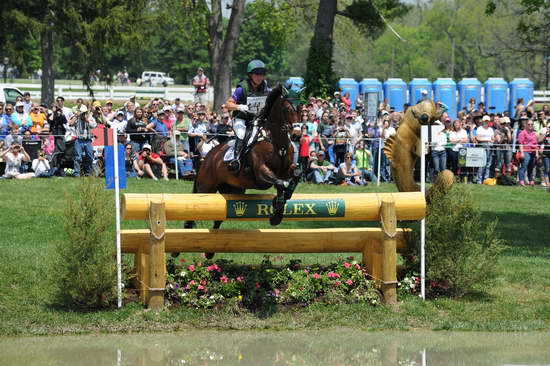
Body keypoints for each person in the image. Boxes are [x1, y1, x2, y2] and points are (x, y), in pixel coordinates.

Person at [225, 59, 270, 173]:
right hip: (242, 119)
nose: (260, 77)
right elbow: (228, 104)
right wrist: (240, 107)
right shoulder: (242, 88)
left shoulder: (264, 86)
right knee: (241, 135)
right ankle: (236, 160)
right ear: (250, 75)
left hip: (257, 119)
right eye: (257, 74)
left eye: (262, 74)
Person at [72, 104, 97, 177]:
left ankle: (88, 172)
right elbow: (70, 124)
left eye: (84, 113)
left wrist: (88, 121)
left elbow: (94, 125)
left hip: (88, 140)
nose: (83, 114)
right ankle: (77, 173)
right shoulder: (77, 118)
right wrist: (76, 116)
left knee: (90, 156)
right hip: (79, 140)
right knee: (77, 157)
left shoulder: (90, 118)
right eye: (82, 113)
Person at [517, 119, 539, 186]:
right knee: (524, 166)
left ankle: (530, 180)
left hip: (532, 152)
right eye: (529, 124)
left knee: (531, 167)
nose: (530, 125)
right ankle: (521, 180)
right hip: (525, 151)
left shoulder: (534, 133)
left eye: (531, 124)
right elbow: (520, 143)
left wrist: (537, 153)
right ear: (526, 125)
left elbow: (536, 144)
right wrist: (522, 153)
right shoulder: (522, 133)